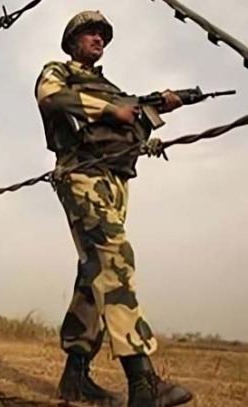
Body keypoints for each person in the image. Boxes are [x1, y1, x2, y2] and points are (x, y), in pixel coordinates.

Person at [34, 10, 194, 407]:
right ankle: (143, 382)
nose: (98, 38)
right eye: (90, 33)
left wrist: (158, 111)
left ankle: (75, 379)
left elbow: (128, 128)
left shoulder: (110, 87)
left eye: (102, 34)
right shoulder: (59, 71)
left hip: (116, 180)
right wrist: (111, 110)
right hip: (81, 173)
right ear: (73, 41)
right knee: (115, 260)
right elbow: (49, 96)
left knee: (95, 274)